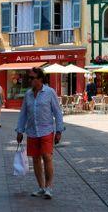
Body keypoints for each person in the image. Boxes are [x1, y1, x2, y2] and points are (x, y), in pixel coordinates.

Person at [15, 67, 64, 200]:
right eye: (29, 78)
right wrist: (19, 130)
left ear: (40, 79)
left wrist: (59, 130)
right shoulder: (28, 94)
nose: (29, 80)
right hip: (32, 131)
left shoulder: (50, 92)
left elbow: (57, 112)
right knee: (36, 159)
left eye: (32, 78)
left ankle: (49, 187)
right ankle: (41, 187)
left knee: (47, 157)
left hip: (46, 130)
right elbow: (23, 114)